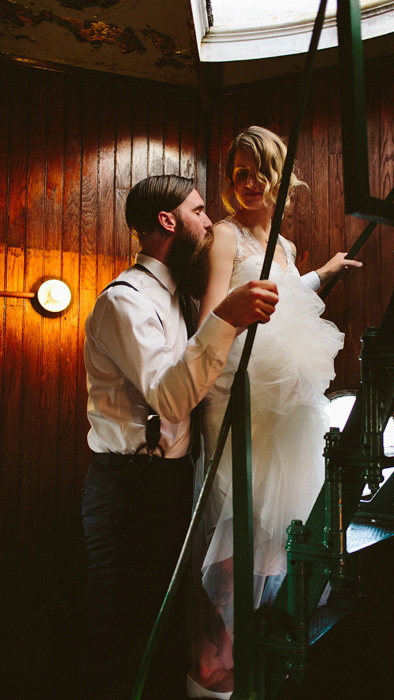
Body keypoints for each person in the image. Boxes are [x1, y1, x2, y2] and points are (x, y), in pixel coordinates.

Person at [81, 174, 280, 699]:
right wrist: (226, 319)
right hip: (127, 492)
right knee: (125, 633)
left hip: (169, 484)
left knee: (165, 629)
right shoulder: (126, 302)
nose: (210, 221)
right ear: (167, 222)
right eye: (198, 211)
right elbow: (169, 399)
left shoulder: (179, 299)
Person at [187, 126, 362, 699]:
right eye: (237, 172)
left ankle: (254, 667)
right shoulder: (224, 238)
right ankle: (213, 678)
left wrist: (323, 275)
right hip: (240, 403)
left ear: (280, 176)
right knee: (241, 531)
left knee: (276, 535)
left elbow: (280, 299)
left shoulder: (283, 246)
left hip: (283, 411)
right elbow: (213, 321)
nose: (247, 182)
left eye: (258, 170)